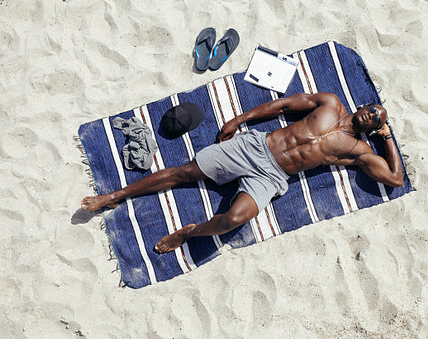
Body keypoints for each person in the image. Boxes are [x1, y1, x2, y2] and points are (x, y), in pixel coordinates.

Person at [81, 92, 403, 253]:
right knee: (184, 174)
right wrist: (239, 120)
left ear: (375, 128)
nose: (372, 115)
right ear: (363, 106)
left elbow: (395, 178)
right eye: (373, 109)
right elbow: (283, 106)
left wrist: (387, 138)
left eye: (377, 119)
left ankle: (189, 232)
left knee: (235, 219)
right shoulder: (331, 103)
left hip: (273, 177)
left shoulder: (356, 150)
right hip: (254, 146)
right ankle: (114, 196)